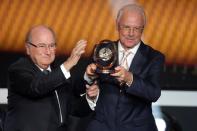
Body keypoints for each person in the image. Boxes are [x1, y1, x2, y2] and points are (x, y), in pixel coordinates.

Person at [85, 4, 165, 131]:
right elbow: (82, 87)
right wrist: (88, 80)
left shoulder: (154, 57)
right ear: (117, 25)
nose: (131, 33)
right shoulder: (102, 50)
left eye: (136, 28)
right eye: (126, 27)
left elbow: (153, 93)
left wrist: (129, 78)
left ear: (143, 29)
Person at [4, 25, 91, 131]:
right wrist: (69, 63)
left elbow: (73, 108)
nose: (48, 51)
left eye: (51, 45)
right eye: (41, 46)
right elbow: (36, 87)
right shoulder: (18, 69)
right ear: (28, 48)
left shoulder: (58, 72)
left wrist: (90, 97)